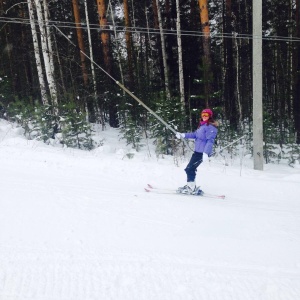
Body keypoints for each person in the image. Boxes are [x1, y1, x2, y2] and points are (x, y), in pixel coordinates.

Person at [176, 108, 218, 195]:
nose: (204, 117)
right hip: (197, 152)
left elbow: (210, 141)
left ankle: (191, 187)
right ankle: (191, 185)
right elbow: (194, 135)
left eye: (206, 115)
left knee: (190, 169)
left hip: (202, 153)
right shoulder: (202, 126)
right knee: (190, 168)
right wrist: (183, 135)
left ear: (210, 116)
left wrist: (206, 153)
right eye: (203, 115)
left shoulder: (211, 127)